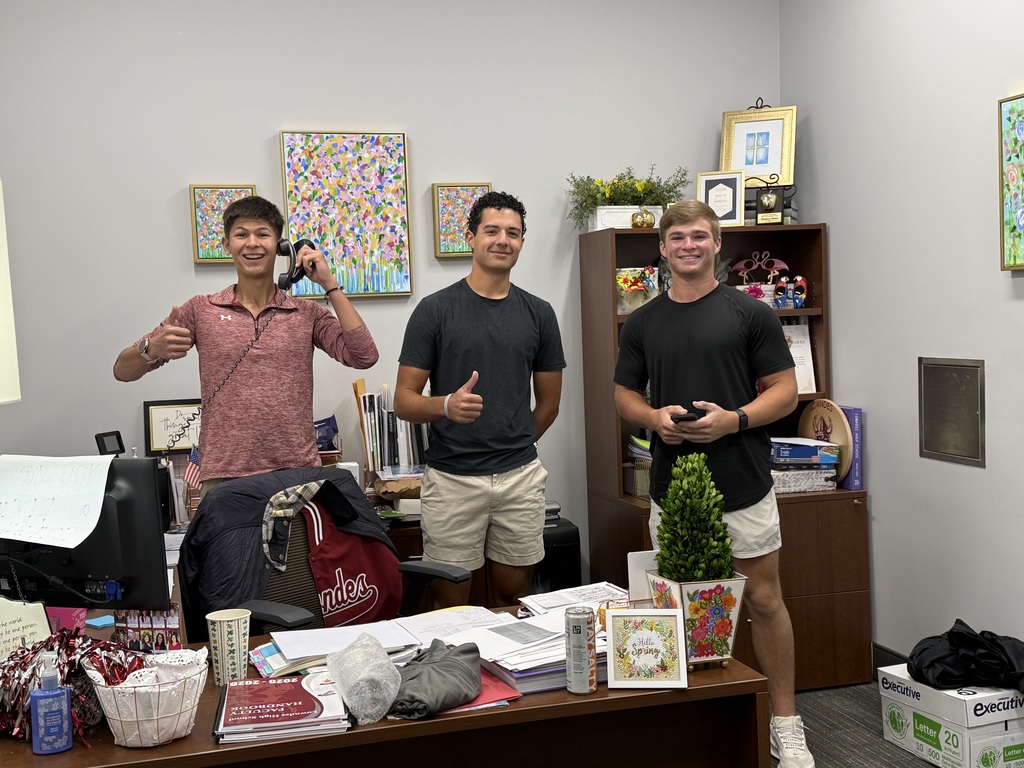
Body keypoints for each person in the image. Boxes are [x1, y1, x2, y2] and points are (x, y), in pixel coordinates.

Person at [614, 200, 814, 768]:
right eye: (677, 237)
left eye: (699, 236)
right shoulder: (645, 320)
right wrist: (652, 419)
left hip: (743, 482)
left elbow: (783, 389)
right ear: (663, 247)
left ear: (716, 243)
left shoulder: (751, 314)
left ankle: (785, 723)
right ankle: (690, 722)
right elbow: (623, 393)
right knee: (677, 608)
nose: (688, 246)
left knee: (766, 601)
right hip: (671, 490)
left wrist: (735, 419)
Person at [113, 196, 378, 494]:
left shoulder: (306, 313)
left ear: (279, 245)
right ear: (227, 245)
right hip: (225, 476)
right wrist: (151, 348)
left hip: (297, 474)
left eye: (263, 234)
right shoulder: (201, 309)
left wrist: (329, 284)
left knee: (297, 544)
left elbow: (364, 355)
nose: (252, 243)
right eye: (241, 235)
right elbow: (122, 371)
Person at [394, 191, 564, 609]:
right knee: (451, 602)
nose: (502, 240)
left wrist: (513, 441)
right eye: (492, 230)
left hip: (519, 479)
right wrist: (446, 406)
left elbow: (549, 405)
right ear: (470, 237)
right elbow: (403, 401)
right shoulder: (435, 311)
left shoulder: (539, 313)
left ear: (522, 242)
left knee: (514, 595)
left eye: (513, 233)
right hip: (452, 480)